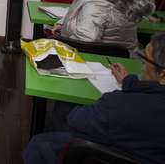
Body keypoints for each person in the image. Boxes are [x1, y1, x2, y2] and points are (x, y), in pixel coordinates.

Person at [23, 32, 165, 164]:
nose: (141, 65)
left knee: (40, 142)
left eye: (145, 58)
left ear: (163, 75)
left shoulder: (119, 106)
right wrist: (128, 81)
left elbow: (76, 121)